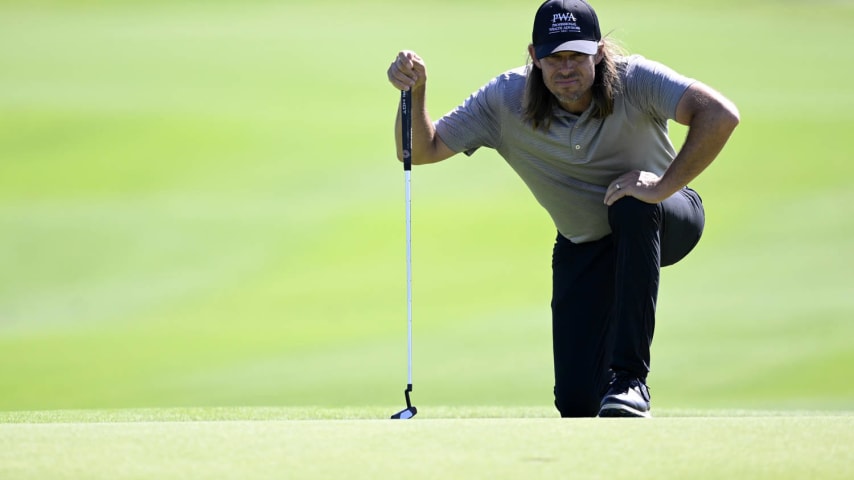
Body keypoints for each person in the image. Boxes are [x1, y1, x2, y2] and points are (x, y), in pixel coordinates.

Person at [386, 0, 739, 417]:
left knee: (630, 206)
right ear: (535, 56)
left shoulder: (637, 79)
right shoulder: (504, 100)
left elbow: (719, 114)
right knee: (578, 403)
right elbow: (420, 150)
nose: (565, 67)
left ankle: (630, 380)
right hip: (585, 245)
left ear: (599, 52)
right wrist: (415, 91)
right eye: (554, 57)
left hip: (665, 216)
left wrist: (662, 186)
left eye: (577, 55)